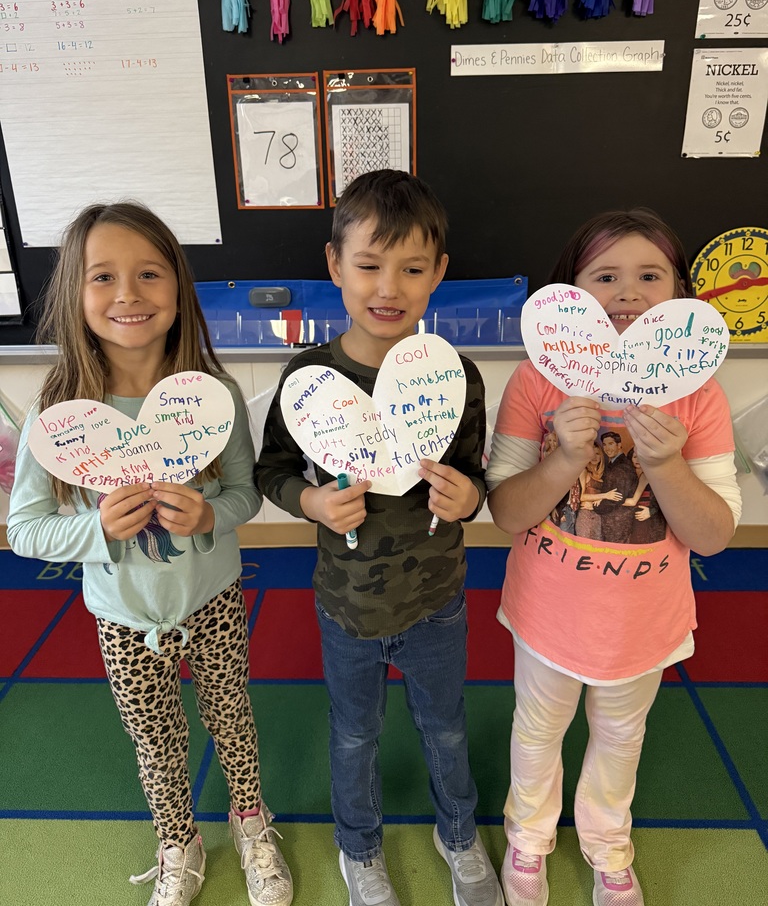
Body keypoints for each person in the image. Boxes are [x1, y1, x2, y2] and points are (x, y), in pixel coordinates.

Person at [7, 203, 293, 906]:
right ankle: (178, 839)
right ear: (75, 293)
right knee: (156, 741)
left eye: (149, 274)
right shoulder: (60, 418)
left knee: (233, 717)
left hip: (214, 599)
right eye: (104, 277)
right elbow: (26, 531)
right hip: (122, 617)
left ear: (178, 289)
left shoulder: (212, 396)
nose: (129, 294)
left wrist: (206, 515)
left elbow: (243, 496)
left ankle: (251, 823)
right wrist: (98, 526)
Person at [255, 170, 502, 906]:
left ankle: (457, 834)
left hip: (437, 602)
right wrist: (310, 502)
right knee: (353, 736)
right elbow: (272, 470)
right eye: (367, 265)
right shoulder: (308, 376)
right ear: (335, 265)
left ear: (439, 276)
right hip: (348, 605)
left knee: (446, 729)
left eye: (412, 268)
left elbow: (471, 475)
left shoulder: (456, 377)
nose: (387, 285)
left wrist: (469, 497)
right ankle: (359, 849)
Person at [486, 209, 741, 906]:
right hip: (549, 615)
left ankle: (608, 846)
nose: (628, 293)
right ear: (570, 295)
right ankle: (529, 842)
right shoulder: (538, 384)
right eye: (606, 276)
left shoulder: (699, 395)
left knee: (621, 735)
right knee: (537, 729)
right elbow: (506, 511)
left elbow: (714, 532)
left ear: (681, 295)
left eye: (649, 276)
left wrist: (665, 465)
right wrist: (565, 455)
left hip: (643, 624)